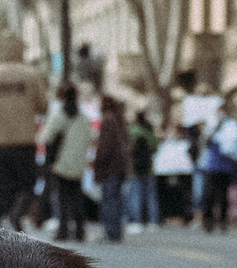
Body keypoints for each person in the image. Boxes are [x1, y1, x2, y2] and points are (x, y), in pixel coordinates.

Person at [0, 40, 48, 230]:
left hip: (2, 141)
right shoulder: (31, 75)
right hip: (25, 141)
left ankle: (9, 216)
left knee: (4, 186)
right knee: (28, 184)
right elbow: (43, 105)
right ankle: (16, 215)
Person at [44, 84, 91, 240]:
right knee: (77, 196)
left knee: (63, 198)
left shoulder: (60, 115)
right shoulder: (83, 118)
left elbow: (48, 137)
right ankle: (79, 230)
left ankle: (63, 230)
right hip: (78, 163)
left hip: (62, 162)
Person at [90, 92, 131, 243]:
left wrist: (98, 164)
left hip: (110, 167)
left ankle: (110, 233)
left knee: (109, 200)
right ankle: (116, 232)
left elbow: (105, 146)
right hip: (119, 166)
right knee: (116, 200)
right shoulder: (118, 119)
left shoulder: (107, 120)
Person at [197, 100, 237, 232]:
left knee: (222, 195)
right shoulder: (212, 125)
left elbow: (234, 145)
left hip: (224, 165)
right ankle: (209, 220)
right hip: (213, 165)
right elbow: (205, 141)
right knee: (210, 195)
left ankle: (222, 221)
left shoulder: (231, 126)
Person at [152, 115, 194, 226]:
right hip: (164, 173)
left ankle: (185, 217)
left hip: (181, 173)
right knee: (165, 197)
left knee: (182, 196)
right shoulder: (162, 146)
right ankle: (165, 217)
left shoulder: (184, 145)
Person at [127, 105, 158, 229]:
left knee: (135, 194)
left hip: (135, 168)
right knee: (150, 195)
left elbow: (128, 148)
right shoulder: (150, 132)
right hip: (149, 167)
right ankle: (153, 220)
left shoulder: (133, 131)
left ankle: (136, 221)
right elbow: (155, 147)